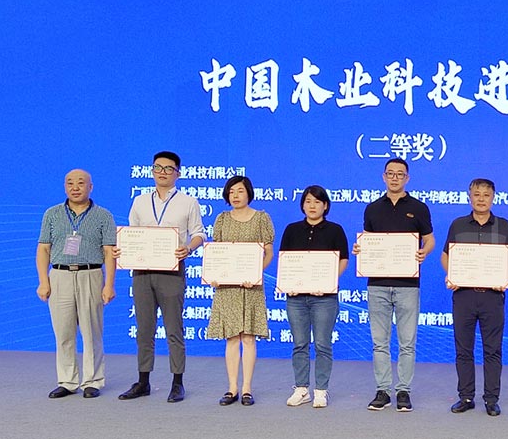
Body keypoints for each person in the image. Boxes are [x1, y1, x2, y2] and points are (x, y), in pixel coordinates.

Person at [117, 151, 206, 403]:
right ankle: (143, 381)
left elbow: (199, 234)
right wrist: (122, 249)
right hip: (142, 272)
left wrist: (188, 248)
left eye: (169, 168)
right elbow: (131, 233)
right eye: (158, 167)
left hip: (172, 271)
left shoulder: (188, 202)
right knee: (144, 329)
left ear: (178, 173)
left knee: (174, 329)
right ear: (152, 171)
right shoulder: (140, 201)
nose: (163, 172)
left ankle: (177, 382)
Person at [352, 158, 435, 412]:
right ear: (384, 176)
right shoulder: (372, 208)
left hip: (408, 284)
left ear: (407, 178)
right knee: (380, 341)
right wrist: (361, 250)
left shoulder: (419, 208)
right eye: (390, 173)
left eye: (400, 174)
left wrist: (424, 251)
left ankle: (403, 391)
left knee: (407, 342)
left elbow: (430, 240)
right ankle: (383, 390)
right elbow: (368, 241)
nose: (395, 178)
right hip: (377, 284)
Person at [36, 169, 116, 399]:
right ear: (65, 187)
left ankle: (92, 381)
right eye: (70, 183)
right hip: (59, 275)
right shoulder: (52, 214)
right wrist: (43, 281)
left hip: (91, 274)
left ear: (91, 187)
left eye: (81, 183)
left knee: (92, 332)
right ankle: (67, 381)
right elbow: (43, 249)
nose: (75, 187)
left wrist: (109, 285)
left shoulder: (103, 215)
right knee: (63, 332)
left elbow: (109, 252)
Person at [441, 178, 508, 417]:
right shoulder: (458, 224)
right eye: (476, 194)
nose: (481, 199)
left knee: (492, 350)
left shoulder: (504, 225)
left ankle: (491, 399)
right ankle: (466, 396)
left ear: (493, 198)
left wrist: (505, 277)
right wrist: (452, 275)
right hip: (464, 296)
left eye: (486, 195)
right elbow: (446, 255)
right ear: (469, 197)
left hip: (493, 296)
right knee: (464, 349)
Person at [279, 185, 349, 408]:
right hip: (296, 298)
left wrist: (328, 281)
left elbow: (344, 260)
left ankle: (321, 390)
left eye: (317, 202)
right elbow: (285, 260)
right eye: (308, 201)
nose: (312, 206)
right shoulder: (291, 230)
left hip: (324, 298)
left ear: (325, 206)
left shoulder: (335, 230)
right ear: (302, 205)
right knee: (299, 343)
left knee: (322, 344)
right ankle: (301, 389)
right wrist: (288, 283)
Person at [208, 176, 274, 407]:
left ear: (249, 193)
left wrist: (255, 273)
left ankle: (247, 389)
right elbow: (217, 252)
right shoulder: (222, 219)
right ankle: (231, 388)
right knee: (232, 337)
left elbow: (268, 253)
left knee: (248, 337)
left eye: (240, 191)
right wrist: (214, 275)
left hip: (251, 287)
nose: (235, 196)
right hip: (227, 288)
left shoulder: (261, 218)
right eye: (232, 192)